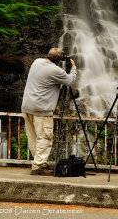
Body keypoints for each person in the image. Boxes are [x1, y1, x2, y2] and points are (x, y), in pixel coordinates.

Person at [21, 48, 77, 176]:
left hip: (27, 106)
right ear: (59, 60)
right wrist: (73, 67)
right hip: (41, 109)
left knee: (33, 137)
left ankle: (40, 162)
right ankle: (38, 166)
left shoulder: (36, 62)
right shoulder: (55, 70)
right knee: (44, 137)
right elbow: (70, 81)